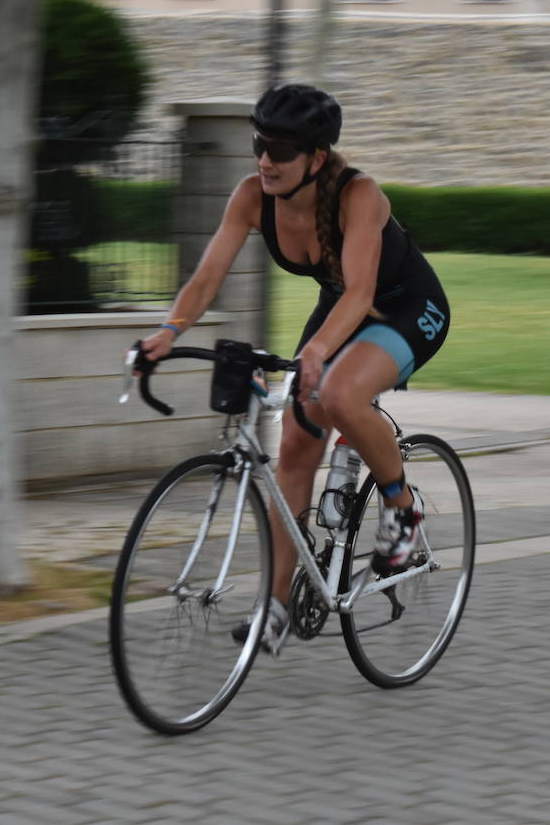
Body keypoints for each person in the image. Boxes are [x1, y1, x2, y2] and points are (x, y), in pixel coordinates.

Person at [136, 83, 451, 645]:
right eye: (260, 145)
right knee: (296, 444)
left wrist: (317, 352)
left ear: (317, 157)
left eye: (280, 151)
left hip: (407, 306)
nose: (264, 160)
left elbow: (359, 292)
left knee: (338, 396)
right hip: (343, 310)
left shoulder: (359, 195)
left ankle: (402, 513)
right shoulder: (251, 197)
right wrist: (167, 331)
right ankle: (275, 607)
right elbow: (207, 277)